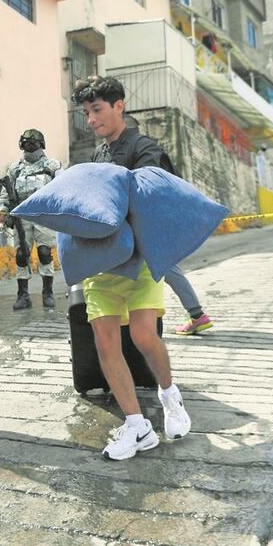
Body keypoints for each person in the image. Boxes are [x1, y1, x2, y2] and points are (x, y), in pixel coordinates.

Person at [73, 75, 191, 461]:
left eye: (97, 110)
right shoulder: (96, 157)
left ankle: (170, 396)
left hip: (139, 263)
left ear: (119, 106)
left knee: (143, 335)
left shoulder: (145, 148)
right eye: (86, 113)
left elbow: (154, 197)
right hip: (101, 267)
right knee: (106, 344)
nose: (91, 120)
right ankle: (137, 425)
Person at [118, 117, 214, 336]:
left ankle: (197, 315)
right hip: (156, 222)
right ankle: (196, 315)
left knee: (164, 269)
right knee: (166, 269)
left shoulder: (140, 153)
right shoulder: (150, 151)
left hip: (149, 225)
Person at [0, 129, 62, 309]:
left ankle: (47, 293)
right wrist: (3, 214)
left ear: (42, 144)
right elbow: (5, 193)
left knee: (44, 253)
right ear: (22, 145)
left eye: (34, 143)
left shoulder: (52, 165)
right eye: (27, 143)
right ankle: (23, 296)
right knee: (21, 255)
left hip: (44, 215)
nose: (31, 146)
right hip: (21, 215)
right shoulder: (15, 168)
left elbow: (63, 187)